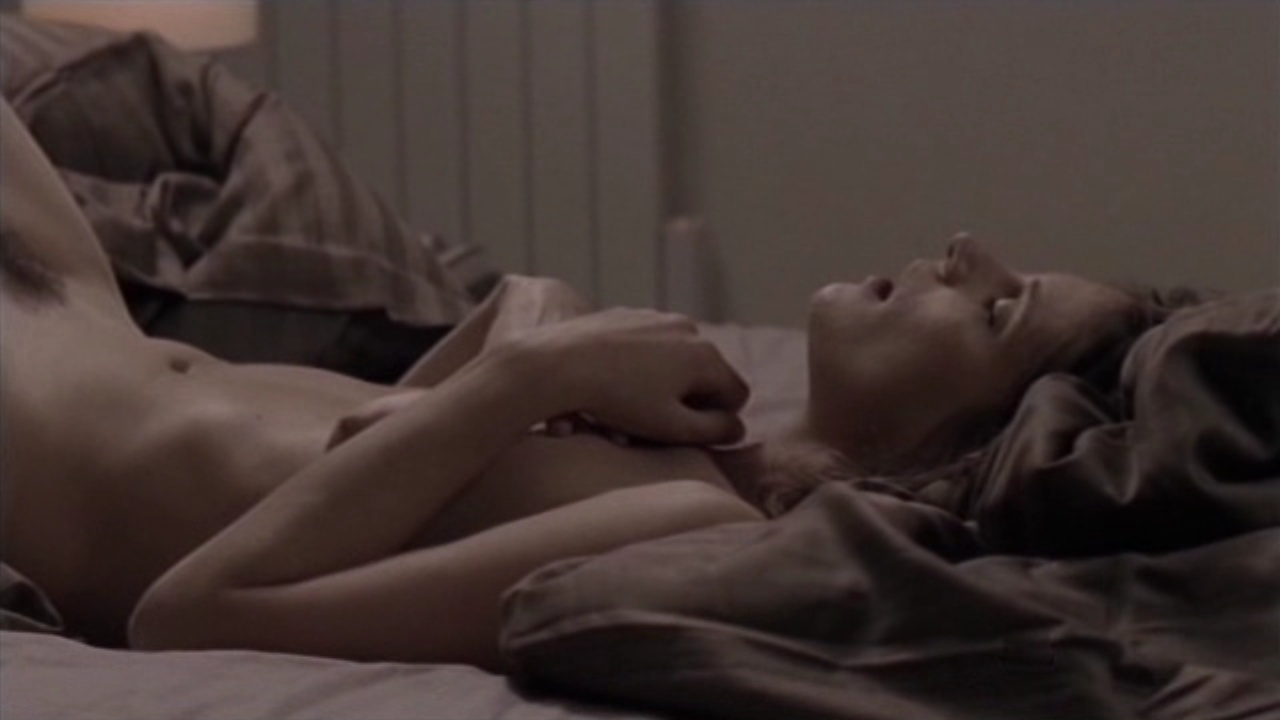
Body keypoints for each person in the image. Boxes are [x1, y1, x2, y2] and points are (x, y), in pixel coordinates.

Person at [0, 101, 1161, 673]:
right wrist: (535, 329)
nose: (966, 252)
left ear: (968, 450)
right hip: (87, 321)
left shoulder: (686, 524)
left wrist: (531, 372)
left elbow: (187, 619)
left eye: (998, 309)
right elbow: (380, 435)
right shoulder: (691, 431)